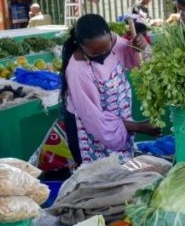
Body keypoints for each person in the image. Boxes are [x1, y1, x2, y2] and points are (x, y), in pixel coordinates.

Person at [59, 13, 160, 165]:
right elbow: (94, 119)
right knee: (100, 180)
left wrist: (142, 47)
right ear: (80, 45)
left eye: (105, 49)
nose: (102, 54)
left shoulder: (114, 41)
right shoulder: (77, 70)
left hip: (120, 127)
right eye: (94, 52)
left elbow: (144, 64)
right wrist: (138, 127)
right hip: (91, 132)